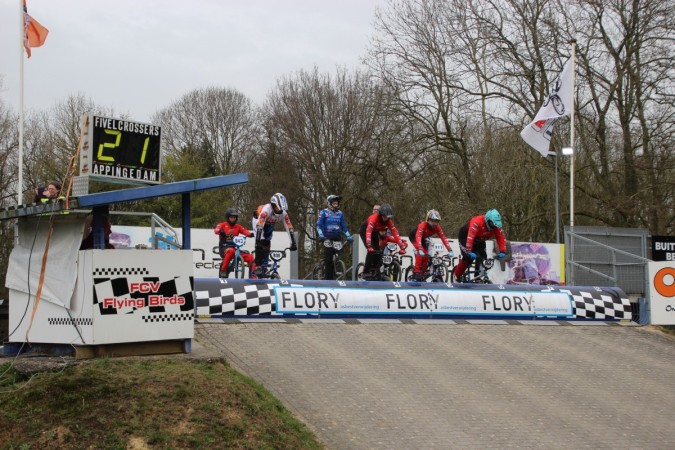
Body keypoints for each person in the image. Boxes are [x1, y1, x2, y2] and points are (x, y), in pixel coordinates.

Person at [453, 209, 507, 280]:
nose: (493, 226)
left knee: (483, 258)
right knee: (468, 258)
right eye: (492, 224)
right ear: (487, 220)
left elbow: (501, 237)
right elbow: (470, 237)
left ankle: (478, 276)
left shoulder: (496, 226)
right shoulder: (477, 222)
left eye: (495, 224)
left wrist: (502, 251)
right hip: (466, 237)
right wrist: (469, 251)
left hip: (479, 239)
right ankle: (456, 275)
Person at [359, 203, 407, 280]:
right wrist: (369, 245)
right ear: (381, 214)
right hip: (365, 231)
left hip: (374, 232)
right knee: (371, 251)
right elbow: (368, 231)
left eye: (388, 217)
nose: (386, 219)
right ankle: (366, 271)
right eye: (384, 216)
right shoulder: (374, 218)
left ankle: (374, 270)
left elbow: (395, 233)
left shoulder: (388, 221)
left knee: (379, 252)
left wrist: (402, 246)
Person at [254, 193, 297, 276]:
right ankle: (258, 266)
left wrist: (293, 242)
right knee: (261, 241)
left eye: (281, 209)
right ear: (273, 205)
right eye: (278, 208)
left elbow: (289, 227)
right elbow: (260, 225)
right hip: (258, 221)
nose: (279, 211)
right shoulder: (267, 210)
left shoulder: (283, 213)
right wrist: (258, 241)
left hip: (269, 223)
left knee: (267, 242)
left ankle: (265, 265)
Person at [408, 209, 454, 281]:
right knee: (421, 253)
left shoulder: (437, 227)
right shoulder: (423, 225)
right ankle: (416, 272)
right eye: (432, 221)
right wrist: (419, 248)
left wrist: (450, 250)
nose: (434, 223)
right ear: (428, 220)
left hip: (423, 238)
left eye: (436, 221)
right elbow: (418, 236)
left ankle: (422, 274)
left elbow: (443, 238)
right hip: (414, 237)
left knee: (426, 256)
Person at [316, 194, 354, 280]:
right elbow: (318, 225)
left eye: (337, 203)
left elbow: (344, 226)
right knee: (329, 258)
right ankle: (328, 279)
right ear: (329, 204)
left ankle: (334, 274)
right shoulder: (324, 212)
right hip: (327, 237)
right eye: (334, 203)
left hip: (337, 237)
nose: (336, 205)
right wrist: (321, 235)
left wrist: (348, 236)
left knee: (336, 257)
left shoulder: (340, 213)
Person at [214, 208, 256, 278]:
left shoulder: (238, 226)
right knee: (231, 251)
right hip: (224, 248)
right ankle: (223, 270)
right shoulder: (222, 225)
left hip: (235, 248)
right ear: (228, 217)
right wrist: (220, 232)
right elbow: (216, 230)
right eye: (231, 217)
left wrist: (251, 234)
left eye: (234, 217)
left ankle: (253, 276)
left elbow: (245, 232)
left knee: (250, 257)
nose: (233, 219)